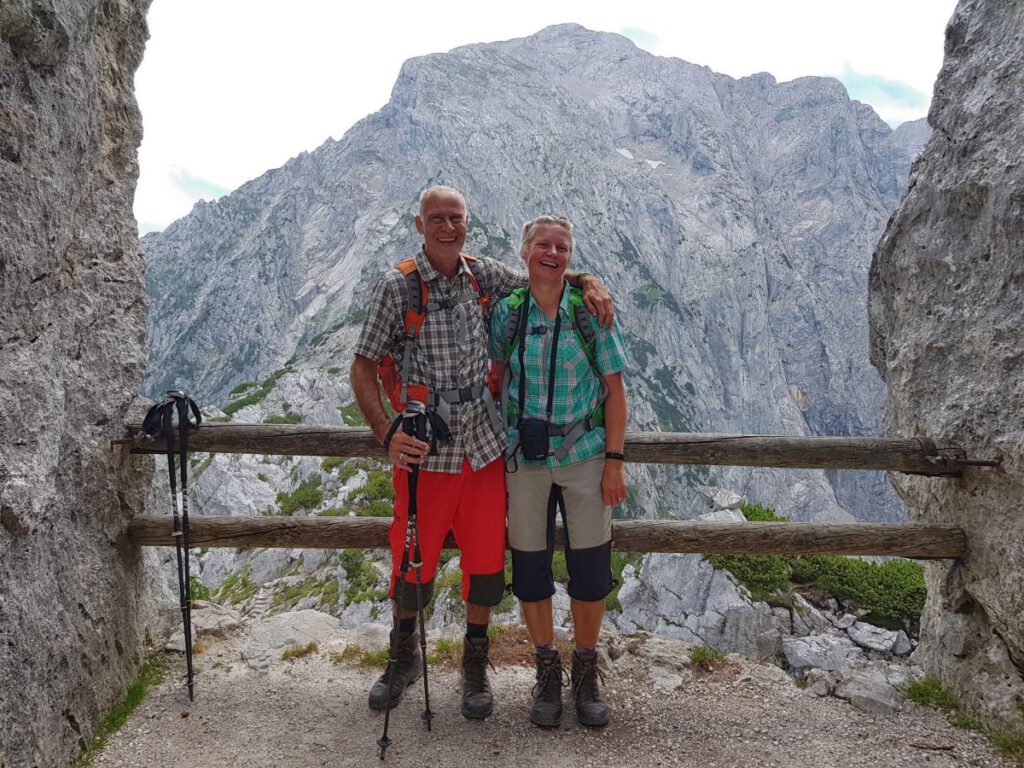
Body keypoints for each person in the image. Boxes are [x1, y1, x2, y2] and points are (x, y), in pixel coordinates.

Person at [349, 186, 613, 720]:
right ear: (419, 224)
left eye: (457, 218)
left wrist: (588, 280)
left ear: (467, 223)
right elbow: (362, 364)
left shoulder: (482, 274)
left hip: (486, 448)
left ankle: (475, 663)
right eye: (437, 218)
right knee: (412, 560)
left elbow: (545, 277)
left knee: (487, 564)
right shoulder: (396, 287)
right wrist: (384, 431)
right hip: (425, 450)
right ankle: (403, 657)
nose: (448, 227)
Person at [489, 215, 628, 729]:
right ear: (524, 250)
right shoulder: (509, 313)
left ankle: (585, 669)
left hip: (586, 455)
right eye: (543, 245)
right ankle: (547, 668)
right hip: (526, 460)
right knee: (530, 569)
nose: (552, 253)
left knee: (590, 571)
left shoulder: (589, 314)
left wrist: (614, 461)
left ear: (571, 257)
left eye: (562, 247)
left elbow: (615, 392)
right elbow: (496, 375)